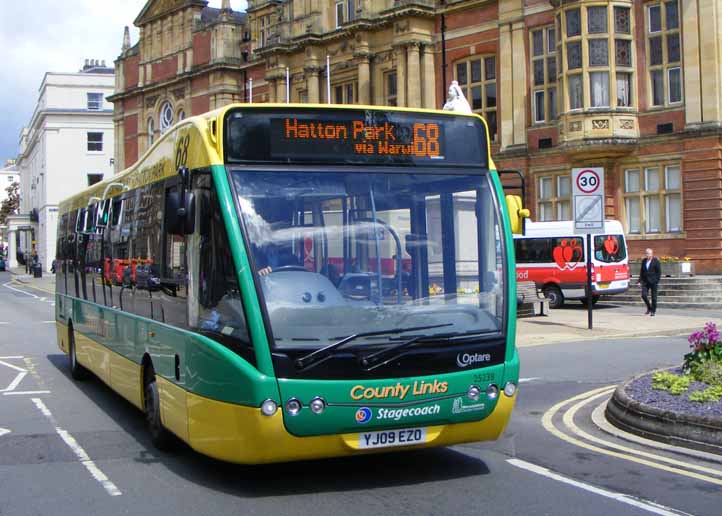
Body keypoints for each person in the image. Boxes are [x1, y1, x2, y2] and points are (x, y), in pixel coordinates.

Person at [637, 248, 661, 316]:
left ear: (652, 254)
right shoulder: (644, 261)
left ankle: (653, 311)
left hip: (653, 282)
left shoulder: (656, 261)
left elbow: (658, 272)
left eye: (649, 253)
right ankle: (649, 307)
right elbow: (641, 272)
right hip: (645, 281)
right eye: (647, 253)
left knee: (654, 297)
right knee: (643, 295)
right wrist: (639, 281)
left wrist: (656, 281)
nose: (648, 255)